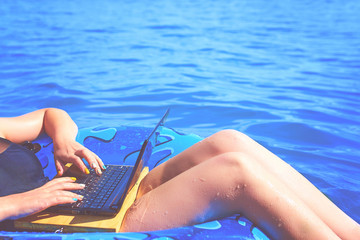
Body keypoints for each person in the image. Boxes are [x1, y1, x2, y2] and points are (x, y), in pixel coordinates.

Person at [0, 108, 358, 239]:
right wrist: (19, 203)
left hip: (73, 200)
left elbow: (51, 114)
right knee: (235, 172)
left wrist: (63, 142)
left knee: (228, 141)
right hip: (49, 223)